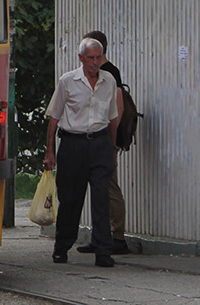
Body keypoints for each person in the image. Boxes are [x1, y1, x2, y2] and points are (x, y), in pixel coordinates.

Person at [44, 35, 120, 268]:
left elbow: (113, 118)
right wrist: (50, 152)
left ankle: (103, 251)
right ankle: (62, 247)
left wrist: (112, 149)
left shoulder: (109, 81)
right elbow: (54, 119)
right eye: (90, 58)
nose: (94, 63)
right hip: (73, 145)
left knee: (101, 199)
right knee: (71, 199)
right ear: (81, 58)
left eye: (98, 58)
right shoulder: (68, 81)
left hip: (99, 144)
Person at [76, 30, 130, 256]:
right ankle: (101, 235)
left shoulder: (109, 74)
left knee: (110, 187)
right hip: (98, 140)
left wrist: (112, 145)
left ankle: (116, 235)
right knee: (100, 189)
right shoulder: (99, 73)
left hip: (105, 139)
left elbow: (116, 111)